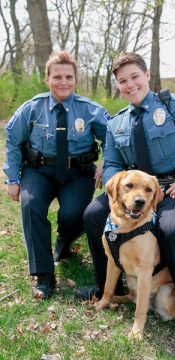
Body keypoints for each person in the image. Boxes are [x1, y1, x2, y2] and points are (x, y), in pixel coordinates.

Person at [74, 52, 175, 355]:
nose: (130, 85)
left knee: (173, 230)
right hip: (137, 191)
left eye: (134, 77)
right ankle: (110, 289)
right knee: (93, 214)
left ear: (147, 75)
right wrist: (117, 190)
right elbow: (113, 162)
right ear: (118, 86)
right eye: (122, 81)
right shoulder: (117, 123)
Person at [3, 50, 109, 300]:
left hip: (78, 173)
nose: (64, 82)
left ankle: (63, 243)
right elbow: (12, 140)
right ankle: (44, 274)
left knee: (74, 215)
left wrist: (107, 159)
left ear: (75, 79)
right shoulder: (32, 108)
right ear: (47, 78)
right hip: (38, 170)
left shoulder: (90, 110)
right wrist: (12, 179)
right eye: (58, 76)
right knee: (32, 206)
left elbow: (114, 136)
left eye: (69, 77)